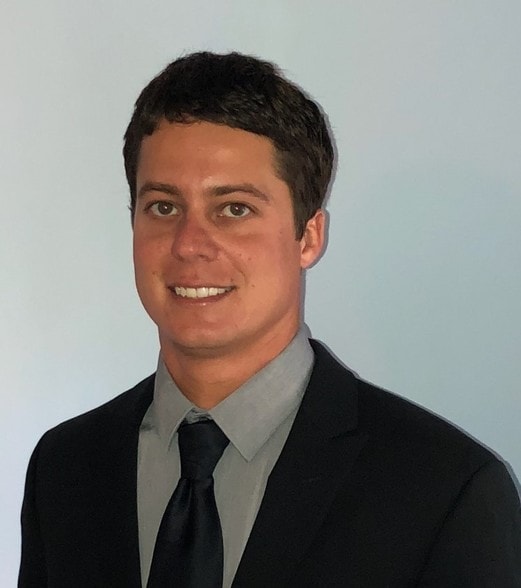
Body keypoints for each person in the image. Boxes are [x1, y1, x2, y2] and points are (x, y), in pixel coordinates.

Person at [19, 51, 521, 588]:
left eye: (234, 209)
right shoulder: (64, 468)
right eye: (163, 207)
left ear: (309, 237)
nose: (189, 244)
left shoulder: (445, 491)